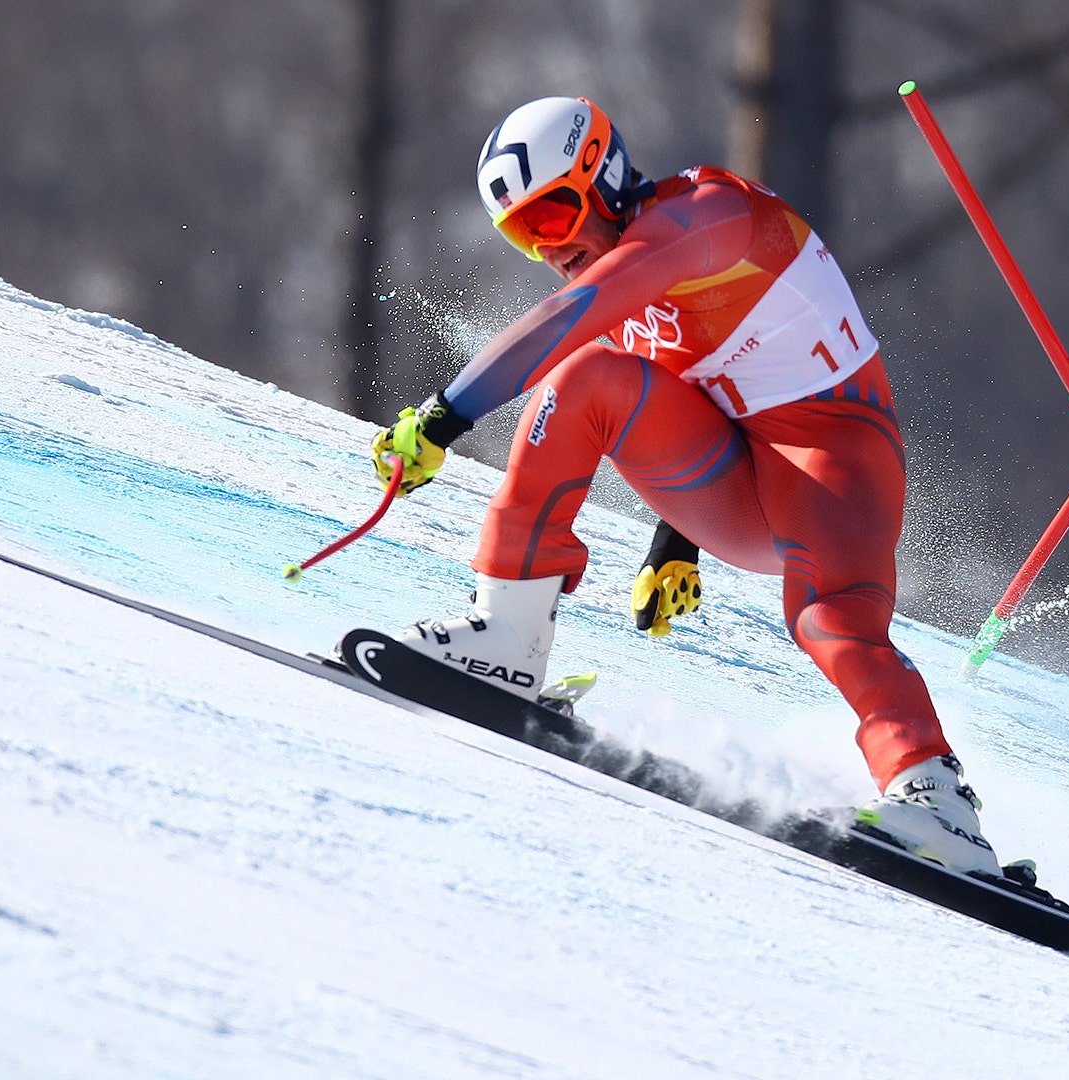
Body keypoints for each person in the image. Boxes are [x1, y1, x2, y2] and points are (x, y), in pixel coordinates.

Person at [368, 96, 998, 876]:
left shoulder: (704, 217)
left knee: (826, 617)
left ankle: (936, 798)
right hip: (741, 480)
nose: (549, 247)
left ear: (606, 176)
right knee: (582, 383)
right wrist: (679, 540)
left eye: (556, 214)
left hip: (833, 459)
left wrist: (442, 418)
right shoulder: (629, 265)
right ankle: (506, 636)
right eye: (524, 235)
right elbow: (692, 384)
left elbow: (566, 313)